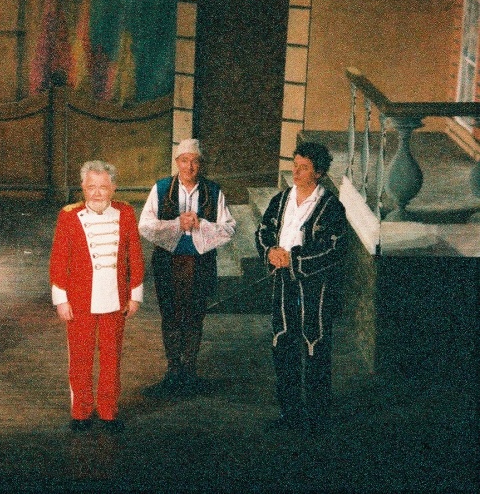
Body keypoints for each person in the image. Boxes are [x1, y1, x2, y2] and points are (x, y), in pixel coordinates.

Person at [255, 141, 346, 433]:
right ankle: (290, 413)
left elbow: (335, 249)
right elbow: (263, 231)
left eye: (303, 168)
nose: (295, 172)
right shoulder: (281, 199)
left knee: (314, 344)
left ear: (318, 172)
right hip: (283, 283)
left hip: (315, 288)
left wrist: (293, 259)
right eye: (295, 165)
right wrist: (271, 251)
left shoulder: (331, 206)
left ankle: (317, 417)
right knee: (283, 342)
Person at [49, 160, 144, 433]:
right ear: (83, 187)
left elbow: (135, 255)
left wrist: (135, 294)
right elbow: (58, 259)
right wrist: (61, 298)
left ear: (113, 187)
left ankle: (108, 411)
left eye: (103, 187)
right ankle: (80, 411)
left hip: (116, 297)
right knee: (80, 357)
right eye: (91, 187)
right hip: (79, 299)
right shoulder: (69, 215)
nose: (97, 193)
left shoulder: (126, 213)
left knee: (112, 358)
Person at [139, 138, 236, 397]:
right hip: (168, 262)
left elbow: (229, 228)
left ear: (200, 164)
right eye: (184, 160)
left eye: (194, 161)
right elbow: (145, 225)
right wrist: (176, 224)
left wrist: (201, 224)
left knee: (195, 315)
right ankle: (173, 370)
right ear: (177, 162)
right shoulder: (161, 188)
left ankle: (190, 371)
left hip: (200, 263)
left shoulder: (213, 191)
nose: (189, 166)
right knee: (170, 315)